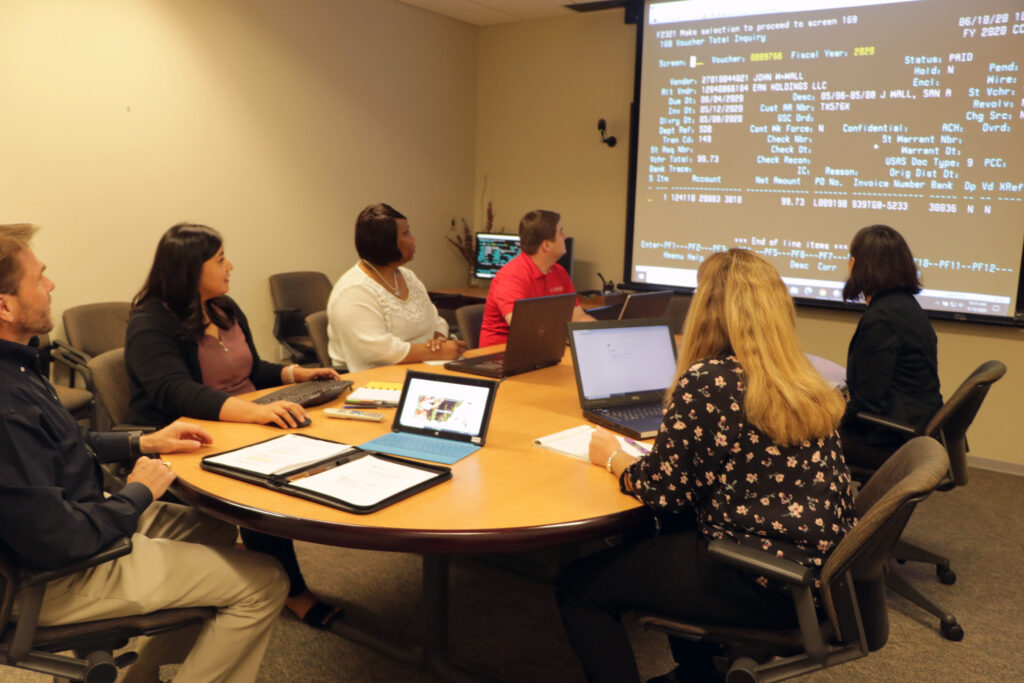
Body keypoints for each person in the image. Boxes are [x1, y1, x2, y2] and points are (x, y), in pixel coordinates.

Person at [0, 223, 288, 683]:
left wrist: (142, 441)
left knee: (212, 524)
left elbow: (60, 445)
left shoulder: (17, 363)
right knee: (267, 582)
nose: (51, 285)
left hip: (81, 521)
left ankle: (144, 674)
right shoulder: (6, 401)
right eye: (39, 277)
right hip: (56, 575)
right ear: (5, 305)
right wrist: (136, 495)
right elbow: (57, 540)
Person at [557, 249, 856, 683]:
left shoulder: (710, 379)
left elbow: (664, 491)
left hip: (761, 576)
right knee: (664, 530)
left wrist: (616, 458)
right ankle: (697, 673)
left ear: (708, 311)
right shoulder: (802, 377)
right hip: (816, 572)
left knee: (579, 586)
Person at [125, 222, 344, 629]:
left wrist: (297, 374)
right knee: (263, 479)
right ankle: (293, 589)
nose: (231, 267)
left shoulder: (223, 307)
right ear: (191, 268)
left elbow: (251, 369)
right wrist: (256, 413)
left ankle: (268, 555)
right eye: (221, 259)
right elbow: (177, 392)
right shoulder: (149, 322)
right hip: (192, 434)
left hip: (244, 420)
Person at [840, 224, 941, 471]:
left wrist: (826, 418)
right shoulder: (904, 306)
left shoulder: (883, 319)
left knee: (800, 438)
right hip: (908, 426)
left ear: (855, 265)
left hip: (891, 440)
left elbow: (869, 402)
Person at [326, 203, 465, 372]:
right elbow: (378, 351)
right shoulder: (353, 290)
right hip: (370, 380)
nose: (413, 239)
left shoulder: (408, 277)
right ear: (385, 243)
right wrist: (436, 352)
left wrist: (438, 342)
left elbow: (435, 321)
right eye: (406, 234)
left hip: (421, 368)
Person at [479, 209, 593, 347]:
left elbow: (578, 317)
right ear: (546, 245)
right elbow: (525, 330)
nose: (565, 236)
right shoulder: (510, 277)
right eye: (561, 232)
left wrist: (605, 334)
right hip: (501, 355)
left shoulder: (559, 272)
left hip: (540, 349)